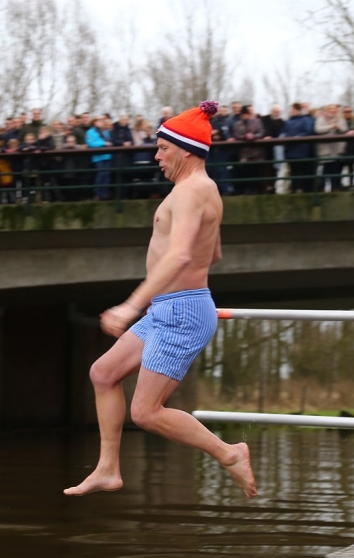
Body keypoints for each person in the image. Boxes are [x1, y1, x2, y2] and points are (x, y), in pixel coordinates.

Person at [64, 100, 256, 499]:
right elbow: (213, 253)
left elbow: (182, 254)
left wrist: (131, 305)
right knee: (103, 374)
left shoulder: (190, 191)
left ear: (185, 150)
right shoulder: (203, 191)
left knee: (146, 412)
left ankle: (230, 453)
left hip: (181, 310)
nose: (157, 156)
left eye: (163, 148)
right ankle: (107, 468)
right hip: (172, 308)